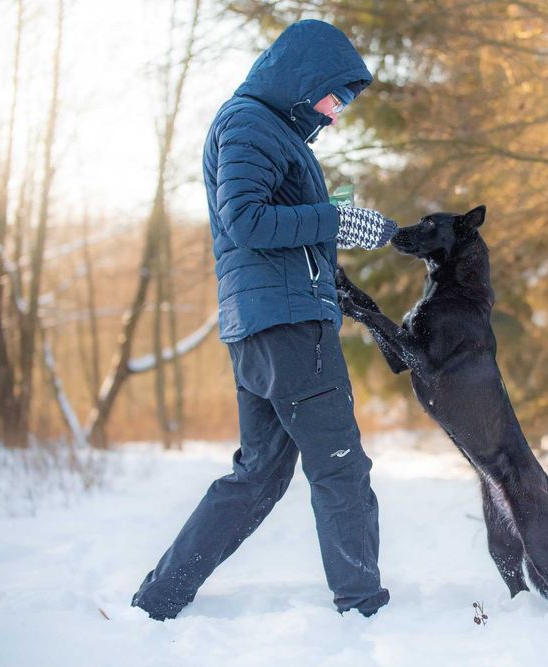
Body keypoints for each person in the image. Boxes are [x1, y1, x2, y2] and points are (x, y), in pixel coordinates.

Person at [131, 19, 395, 621]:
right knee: (340, 467)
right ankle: (363, 610)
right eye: (335, 98)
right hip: (288, 328)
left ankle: (158, 600)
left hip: (264, 325)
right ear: (306, 79)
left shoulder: (268, 129)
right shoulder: (250, 123)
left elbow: (274, 225)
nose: (337, 114)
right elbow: (246, 220)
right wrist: (332, 219)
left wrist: (327, 227)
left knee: (259, 475)